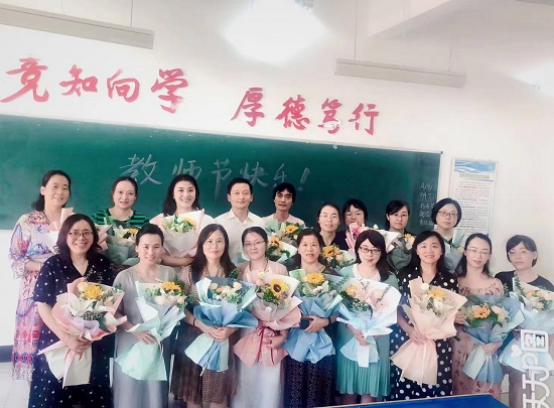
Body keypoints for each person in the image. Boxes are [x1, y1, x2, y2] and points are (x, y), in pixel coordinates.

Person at [29, 214, 114, 408]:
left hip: (92, 341)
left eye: (86, 233)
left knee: (92, 396)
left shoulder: (102, 263)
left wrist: (91, 335)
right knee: (54, 395)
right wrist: (67, 338)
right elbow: (43, 305)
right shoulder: (52, 264)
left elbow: (108, 303)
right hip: (57, 339)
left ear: (93, 236)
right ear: (64, 236)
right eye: (74, 233)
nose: (80, 238)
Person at [8, 170, 71, 382]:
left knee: (62, 344)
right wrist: (44, 267)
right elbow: (15, 257)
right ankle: (36, 393)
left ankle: (61, 393)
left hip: (65, 292)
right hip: (34, 293)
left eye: (65, 188)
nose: (60, 192)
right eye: (55, 186)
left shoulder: (71, 221)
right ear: (43, 190)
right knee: (36, 348)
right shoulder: (28, 221)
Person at [171, 224, 238, 408]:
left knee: (218, 396)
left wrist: (229, 330)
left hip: (220, 338)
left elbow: (242, 309)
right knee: (194, 396)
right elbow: (178, 306)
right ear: (201, 244)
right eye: (209, 241)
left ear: (225, 244)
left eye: (219, 241)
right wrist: (199, 324)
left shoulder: (233, 272)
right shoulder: (188, 271)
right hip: (192, 336)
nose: (214, 246)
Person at [388, 230, 459, 400]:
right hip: (407, 338)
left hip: (437, 343)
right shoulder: (404, 275)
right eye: (424, 246)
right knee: (404, 388)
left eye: (434, 246)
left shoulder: (449, 279)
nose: (429, 250)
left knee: (433, 390)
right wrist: (410, 330)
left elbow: (452, 312)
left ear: (441, 251)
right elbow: (395, 308)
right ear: (416, 250)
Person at [112, 224, 177, 408]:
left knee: (155, 391)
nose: (151, 252)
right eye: (146, 246)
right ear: (137, 248)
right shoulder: (123, 276)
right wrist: (134, 329)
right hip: (130, 340)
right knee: (129, 391)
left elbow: (176, 306)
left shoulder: (170, 274)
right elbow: (113, 310)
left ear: (162, 248)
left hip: (158, 342)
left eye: (156, 246)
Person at [337, 230, 399, 404]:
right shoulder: (345, 273)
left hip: (378, 339)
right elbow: (338, 308)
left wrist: (373, 334)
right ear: (357, 249)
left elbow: (392, 313)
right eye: (365, 249)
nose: (369, 254)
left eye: (375, 250)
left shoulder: (390, 279)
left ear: (382, 252)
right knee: (348, 392)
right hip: (349, 335)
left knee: (369, 394)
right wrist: (353, 328)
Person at [232, 226, 289, 408]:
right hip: (246, 332)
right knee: (245, 381)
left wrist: (283, 336)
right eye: (248, 244)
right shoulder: (237, 270)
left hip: (273, 333)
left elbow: (288, 306)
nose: (253, 247)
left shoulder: (279, 269)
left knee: (270, 383)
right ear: (243, 247)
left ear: (266, 243)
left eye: (257, 242)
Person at [495, 235, 554, 408]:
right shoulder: (502, 278)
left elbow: (549, 323)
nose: (517, 257)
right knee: (492, 384)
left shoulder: (545, 286)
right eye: (512, 252)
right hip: (499, 340)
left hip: (527, 345)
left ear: (534, 254)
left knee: (520, 386)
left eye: (523, 251)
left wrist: (546, 353)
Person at [282, 229, 338, 408]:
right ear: (298, 248)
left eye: (314, 244)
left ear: (320, 248)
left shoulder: (332, 275)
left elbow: (341, 310)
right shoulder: (289, 275)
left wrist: (325, 321)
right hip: (295, 340)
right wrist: (295, 317)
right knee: (295, 393)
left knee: (319, 395)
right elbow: (280, 306)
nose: (309, 249)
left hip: (323, 340)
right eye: (305, 245)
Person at [451, 233, 504, 399]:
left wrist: (497, 341)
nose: (478, 256)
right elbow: (441, 314)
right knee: (458, 395)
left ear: (489, 256)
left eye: (484, 252)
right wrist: (452, 317)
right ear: (465, 252)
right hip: (458, 348)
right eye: (473, 250)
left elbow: (502, 319)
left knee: (484, 395)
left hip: (485, 348)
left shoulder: (495, 284)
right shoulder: (454, 282)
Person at [150, 174, 214, 268]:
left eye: (190, 190)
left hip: (198, 270)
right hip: (165, 271)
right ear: (173, 194)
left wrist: (190, 260)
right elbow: (154, 251)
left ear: (196, 193)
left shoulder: (207, 221)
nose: (186, 194)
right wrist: (182, 261)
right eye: (180, 190)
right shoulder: (159, 221)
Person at [215, 178, 264, 262]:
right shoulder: (218, 223)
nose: (241, 197)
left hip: (253, 268)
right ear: (229, 197)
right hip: (225, 268)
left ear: (251, 197)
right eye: (237, 193)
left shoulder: (259, 222)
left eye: (245, 193)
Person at [431, 198, 468, 270]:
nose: (448, 217)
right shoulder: (426, 238)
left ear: (458, 217)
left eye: (453, 214)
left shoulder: (464, 239)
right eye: (443, 213)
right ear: (435, 214)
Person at [385, 200, 414, 272]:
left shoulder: (414, 239)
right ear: (388, 216)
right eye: (395, 214)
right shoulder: (381, 238)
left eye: (403, 215)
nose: (399, 219)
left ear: (408, 217)